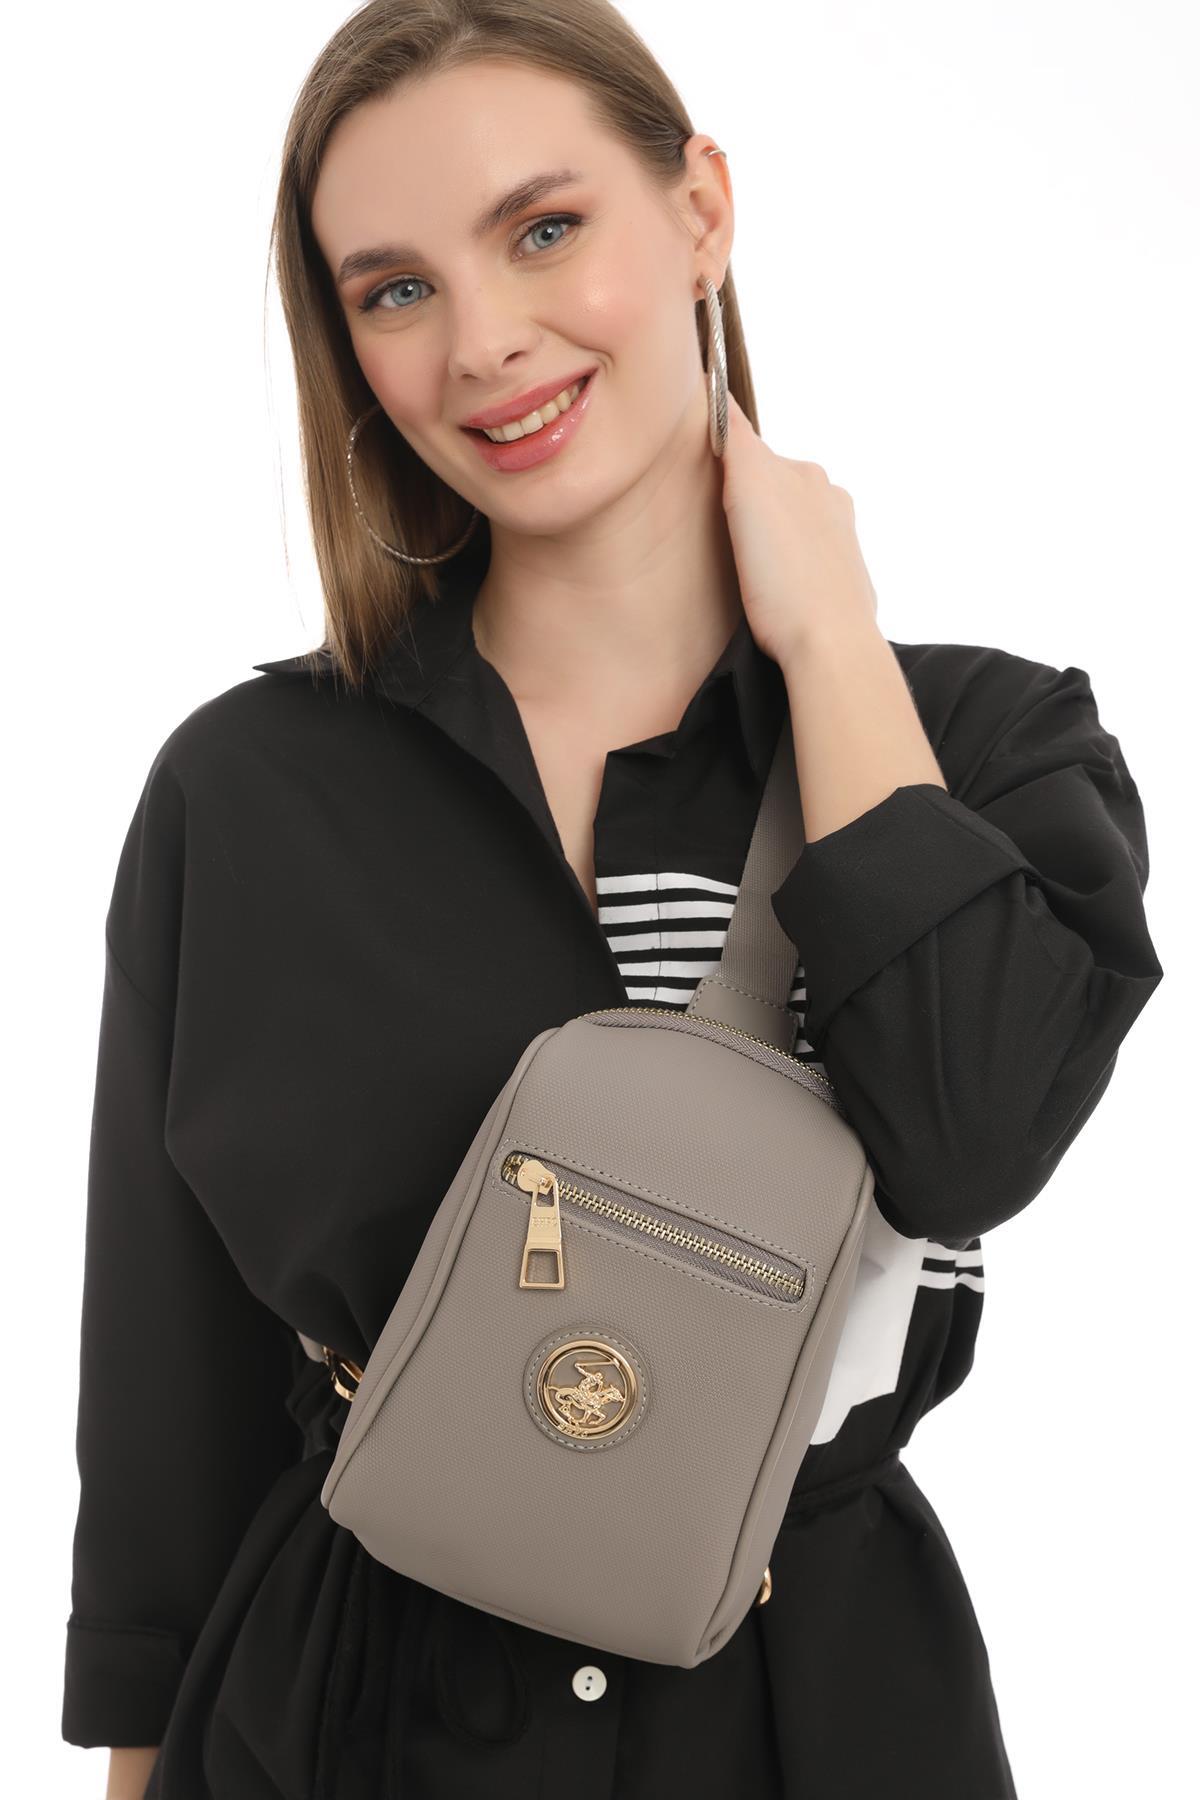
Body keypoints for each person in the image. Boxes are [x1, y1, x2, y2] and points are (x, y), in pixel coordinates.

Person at [62, 3, 1165, 1797]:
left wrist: (828, 640)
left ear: (702, 212)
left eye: (544, 228)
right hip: (353, 1721)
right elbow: (169, 1400)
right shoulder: (249, 789)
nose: (483, 342)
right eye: (394, 289)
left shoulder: (983, 746)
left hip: (818, 1721)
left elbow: (969, 1135)